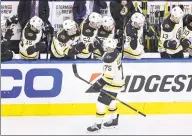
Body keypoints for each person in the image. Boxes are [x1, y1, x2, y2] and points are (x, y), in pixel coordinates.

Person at [87, 38, 124, 132]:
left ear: (108, 48)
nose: (103, 46)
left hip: (112, 84)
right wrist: (100, 46)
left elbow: (108, 77)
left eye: (105, 46)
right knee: (111, 101)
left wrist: (98, 84)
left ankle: (97, 125)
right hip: (118, 82)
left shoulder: (109, 60)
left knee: (100, 103)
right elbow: (105, 54)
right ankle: (114, 120)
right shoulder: (115, 52)